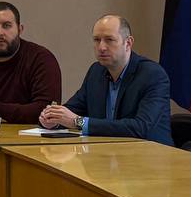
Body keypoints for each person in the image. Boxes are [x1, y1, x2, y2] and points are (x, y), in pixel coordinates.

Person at [39, 14, 172, 144]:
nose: (101, 47)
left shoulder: (152, 75)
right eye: (97, 40)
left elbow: (140, 127)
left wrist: (78, 122)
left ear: (128, 43)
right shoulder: (96, 71)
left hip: (150, 154)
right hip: (106, 152)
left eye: (109, 40)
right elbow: (73, 111)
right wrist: (53, 119)